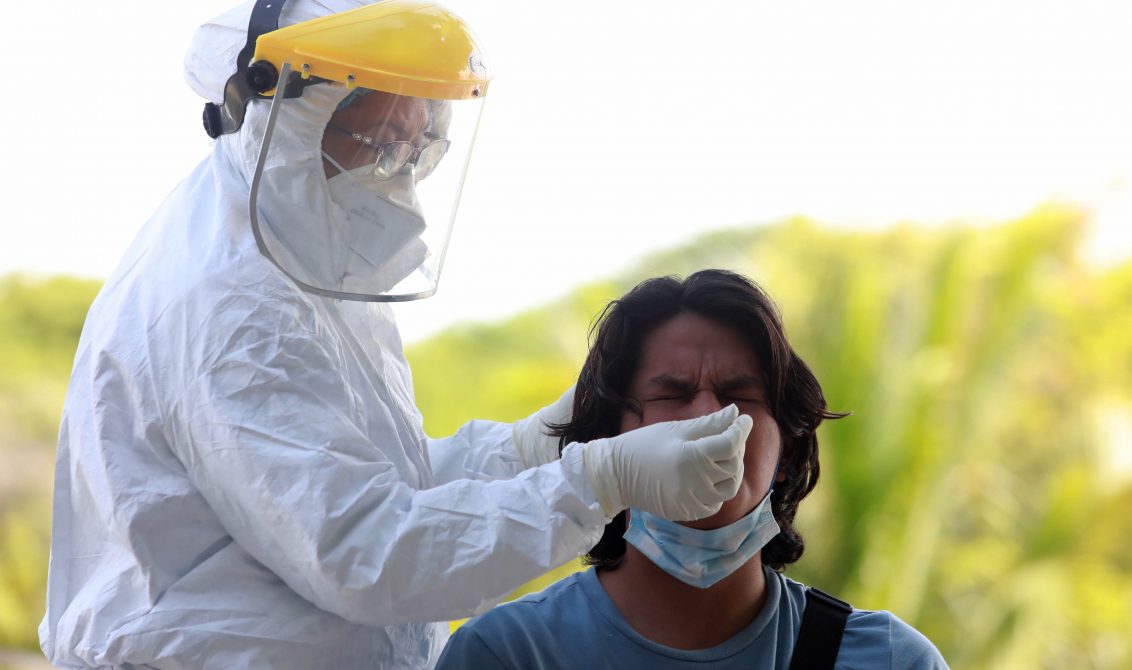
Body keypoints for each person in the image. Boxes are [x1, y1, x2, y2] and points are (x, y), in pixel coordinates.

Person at [38, 2, 753, 668]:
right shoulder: (233, 304)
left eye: (416, 147)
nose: (399, 175)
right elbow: (365, 548)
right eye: (381, 142)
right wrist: (597, 482)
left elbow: (370, 483)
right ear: (289, 116)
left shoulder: (299, 259)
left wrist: (530, 448)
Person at [436, 269, 949, 669]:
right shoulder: (508, 654)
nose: (708, 419)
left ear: (789, 454)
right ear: (609, 445)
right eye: (672, 394)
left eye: (738, 395)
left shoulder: (889, 659)